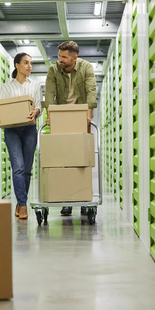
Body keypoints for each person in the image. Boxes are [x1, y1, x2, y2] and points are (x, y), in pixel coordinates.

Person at [44, 41, 97, 216]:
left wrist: (88, 115)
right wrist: (50, 116)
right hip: (61, 116)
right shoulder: (53, 70)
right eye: (59, 56)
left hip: (81, 115)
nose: (60, 59)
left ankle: (82, 198)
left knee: (82, 161)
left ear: (75, 57)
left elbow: (91, 91)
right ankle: (66, 200)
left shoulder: (86, 67)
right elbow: (49, 94)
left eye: (64, 57)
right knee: (63, 161)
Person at [0, 52, 42, 219]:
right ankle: (23, 205)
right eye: (26, 63)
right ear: (17, 65)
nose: (29, 66)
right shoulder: (7, 87)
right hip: (12, 131)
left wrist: (35, 112)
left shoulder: (35, 85)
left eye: (31, 63)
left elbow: (38, 107)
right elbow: (1, 109)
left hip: (29, 130)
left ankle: (20, 201)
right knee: (18, 168)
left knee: (27, 170)